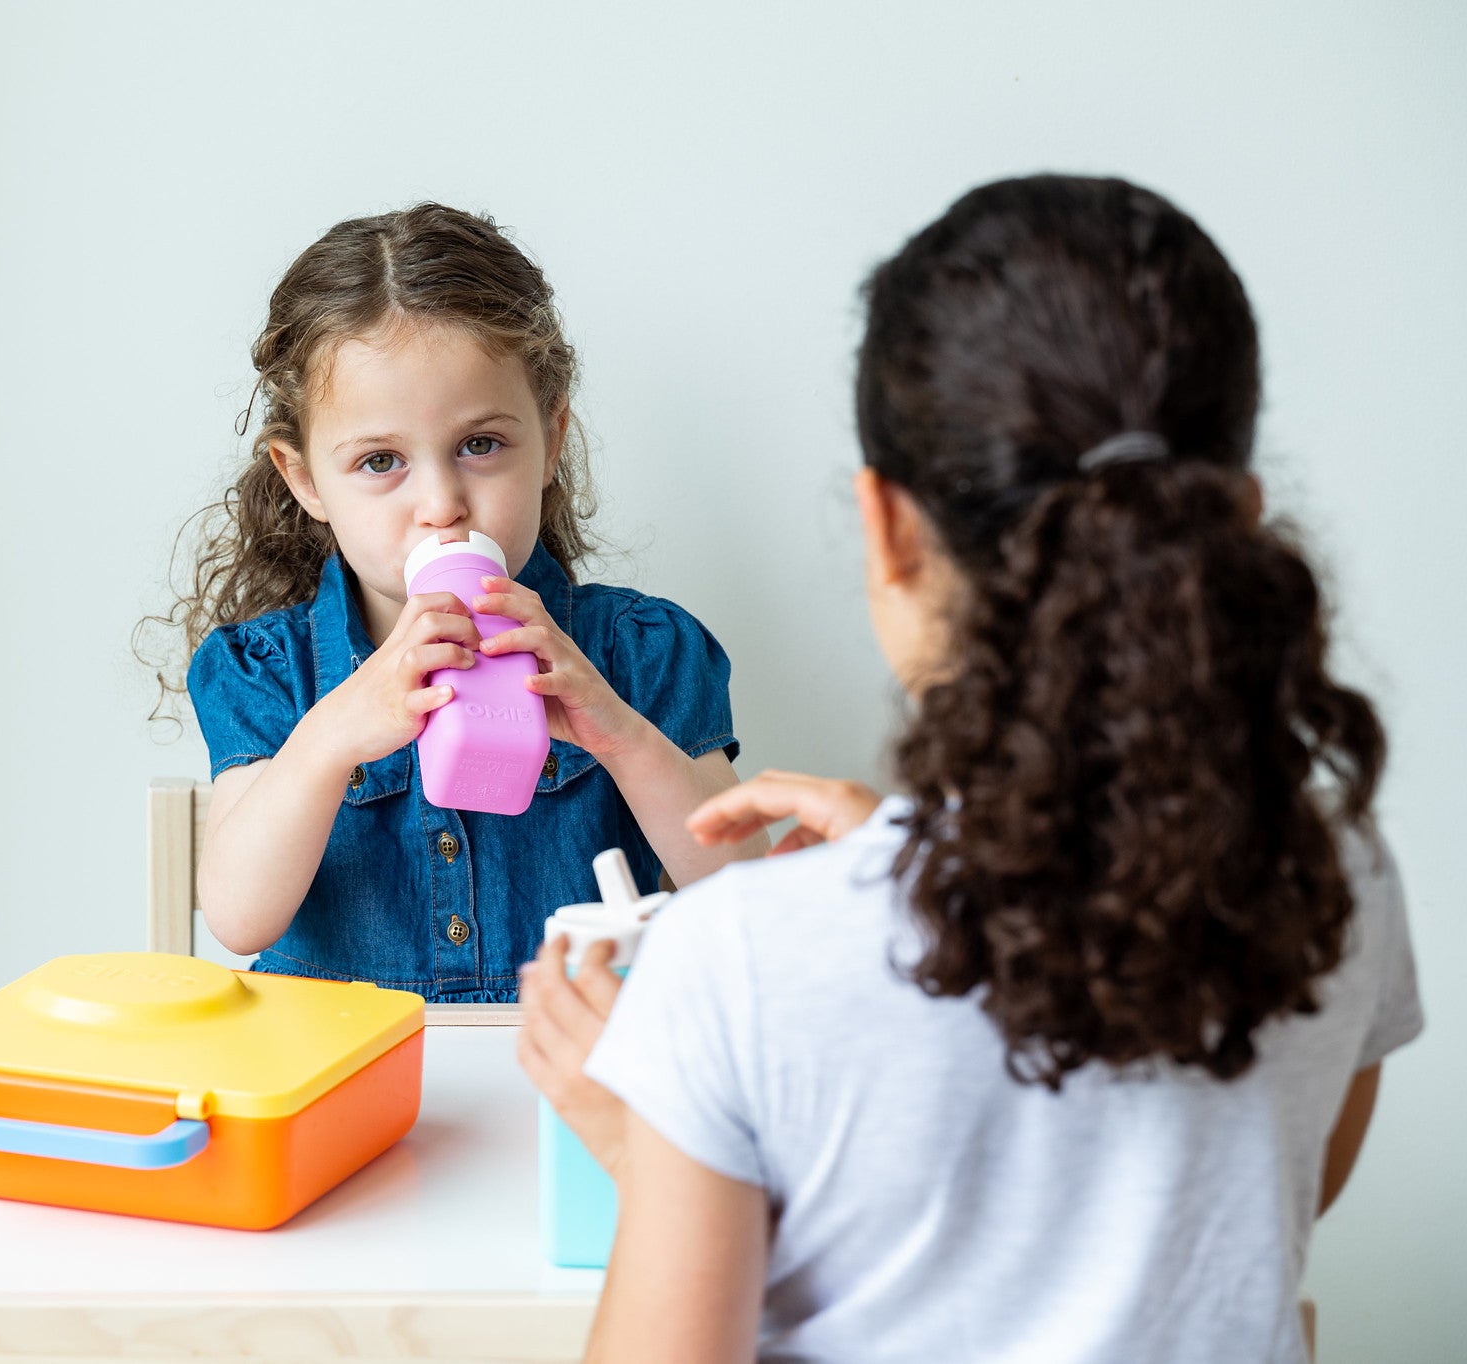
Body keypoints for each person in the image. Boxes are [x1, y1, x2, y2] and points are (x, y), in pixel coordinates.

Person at [520, 174, 1421, 1361]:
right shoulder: (1333, 872)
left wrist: (651, 1147)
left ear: (887, 526)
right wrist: (911, 848)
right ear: (1234, 515)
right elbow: (1258, 1206)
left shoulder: (740, 962)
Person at [165, 202, 766, 1002]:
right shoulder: (267, 672)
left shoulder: (639, 650)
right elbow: (239, 920)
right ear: (306, 479)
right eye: (381, 461)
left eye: (480, 446)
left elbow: (746, 899)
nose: (442, 503)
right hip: (340, 1078)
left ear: (550, 441)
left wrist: (619, 735)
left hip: (572, 1074)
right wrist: (333, 736)